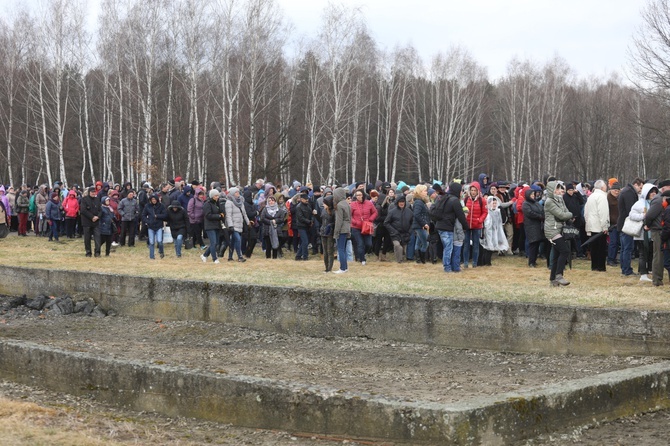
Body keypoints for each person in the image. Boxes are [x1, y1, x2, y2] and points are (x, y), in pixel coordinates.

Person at [432, 182, 469, 272]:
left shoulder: (443, 197)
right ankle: (447, 268)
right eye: (461, 191)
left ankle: (449, 266)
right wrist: (466, 227)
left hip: (440, 226)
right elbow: (461, 216)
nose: (461, 193)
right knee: (448, 248)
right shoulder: (455, 200)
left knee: (447, 247)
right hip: (447, 227)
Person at [544, 181, 573, 286]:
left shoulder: (560, 200)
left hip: (559, 229)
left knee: (556, 255)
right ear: (552, 190)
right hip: (552, 230)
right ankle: (559, 275)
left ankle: (553, 280)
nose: (560, 191)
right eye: (557, 188)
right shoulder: (549, 201)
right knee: (565, 251)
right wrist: (569, 214)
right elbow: (562, 215)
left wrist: (568, 214)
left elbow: (566, 211)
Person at [629, 183, 658, 283]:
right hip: (641, 234)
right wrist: (643, 216)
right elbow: (631, 215)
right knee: (642, 254)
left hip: (651, 233)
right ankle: (643, 273)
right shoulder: (639, 203)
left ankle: (649, 270)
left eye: (655, 192)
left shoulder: (654, 203)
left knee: (650, 253)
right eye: (651, 192)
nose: (653, 194)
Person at [617, 178, 645, 277]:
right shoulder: (629, 192)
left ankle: (624, 268)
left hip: (622, 223)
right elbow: (631, 209)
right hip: (627, 224)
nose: (640, 190)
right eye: (640, 187)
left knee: (625, 248)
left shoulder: (625, 191)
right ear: (636, 184)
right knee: (627, 248)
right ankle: (627, 270)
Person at [584, 180, 610, 272]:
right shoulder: (602, 197)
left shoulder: (591, 196)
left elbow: (586, 212)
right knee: (601, 248)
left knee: (594, 247)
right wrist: (605, 227)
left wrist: (587, 223)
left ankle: (594, 266)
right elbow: (603, 213)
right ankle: (601, 267)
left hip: (591, 225)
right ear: (602, 187)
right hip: (599, 226)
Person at [350, 188, 378, 265]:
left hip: (366, 226)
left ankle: (362, 254)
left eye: (360, 195)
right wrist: (354, 222)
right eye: (357, 195)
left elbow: (375, 212)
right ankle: (362, 259)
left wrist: (370, 219)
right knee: (360, 243)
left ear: (363, 195)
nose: (358, 196)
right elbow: (349, 215)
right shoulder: (352, 204)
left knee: (369, 244)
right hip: (356, 227)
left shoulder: (369, 203)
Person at [463, 182, 488, 268]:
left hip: (477, 226)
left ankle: (475, 262)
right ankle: (465, 262)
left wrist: (480, 220)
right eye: (472, 190)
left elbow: (485, 212)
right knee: (466, 244)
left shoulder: (482, 200)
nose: (473, 192)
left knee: (476, 245)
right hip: (467, 225)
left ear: (478, 191)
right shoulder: (466, 199)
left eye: (475, 190)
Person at [480, 195, 509, 265]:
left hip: (495, 231)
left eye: (495, 203)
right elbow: (487, 223)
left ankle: (488, 261)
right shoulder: (487, 212)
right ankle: (485, 262)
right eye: (493, 203)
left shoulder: (497, 212)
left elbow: (499, 222)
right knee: (487, 247)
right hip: (488, 231)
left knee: (491, 247)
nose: (494, 205)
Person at [384, 195, 413, 262]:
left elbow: (413, 222)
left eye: (403, 202)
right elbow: (386, 223)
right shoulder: (392, 212)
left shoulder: (409, 212)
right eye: (400, 202)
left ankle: (402, 258)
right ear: (397, 203)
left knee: (403, 248)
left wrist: (410, 231)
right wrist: (393, 231)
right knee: (398, 246)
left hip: (406, 233)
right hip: (395, 234)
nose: (401, 203)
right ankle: (399, 261)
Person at [225, 187, 249, 262]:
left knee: (233, 241)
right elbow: (228, 215)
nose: (238, 193)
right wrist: (230, 225)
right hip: (233, 225)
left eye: (238, 192)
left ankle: (230, 257)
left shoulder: (241, 201)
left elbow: (244, 213)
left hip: (240, 224)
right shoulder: (229, 202)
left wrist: (248, 222)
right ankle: (240, 257)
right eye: (236, 192)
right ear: (232, 193)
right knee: (238, 240)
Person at [521, 188, 544, 267]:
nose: (533, 196)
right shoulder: (525, 204)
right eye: (531, 195)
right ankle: (531, 261)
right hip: (530, 226)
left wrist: (542, 215)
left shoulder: (536, 203)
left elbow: (541, 209)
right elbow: (529, 213)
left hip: (538, 225)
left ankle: (534, 260)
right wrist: (539, 216)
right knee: (533, 243)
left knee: (537, 243)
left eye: (533, 195)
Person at [201, 189, 224, 263]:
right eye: (216, 196)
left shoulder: (217, 203)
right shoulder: (207, 204)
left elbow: (219, 211)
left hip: (216, 225)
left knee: (216, 243)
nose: (217, 197)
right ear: (212, 196)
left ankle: (205, 255)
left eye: (218, 195)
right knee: (213, 242)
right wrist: (218, 216)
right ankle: (215, 258)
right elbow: (208, 215)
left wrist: (222, 214)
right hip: (209, 226)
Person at [141, 194, 168, 260]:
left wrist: (157, 216)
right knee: (151, 242)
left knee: (160, 241)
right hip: (150, 226)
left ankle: (161, 252)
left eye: (155, 199)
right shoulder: (147, 206)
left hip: (159, 226)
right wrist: (147, 221)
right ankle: (152, 256)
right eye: (152, 199)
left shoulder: (161, 206)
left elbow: (165, 215)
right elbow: (143, 215)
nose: (154, 201)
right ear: (150, 200)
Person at [260, 194, 286, 260]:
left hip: (277, 229)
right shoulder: (265, 209)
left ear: (275, 201)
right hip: (267, 230)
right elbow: (262, 218)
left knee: (276, 245)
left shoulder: (279, 210)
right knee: (268, 245)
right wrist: (270, 222)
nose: (271, 202)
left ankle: (275, 258)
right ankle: (268, 258)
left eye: (272, 200)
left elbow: (282, 219)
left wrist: (275, 221)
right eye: (269, 201)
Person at [332, 187, 351, 273]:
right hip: (347, 228)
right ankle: (345, 267)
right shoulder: (346, 204)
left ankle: (342, 268)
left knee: (340, 249)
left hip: (342, 229)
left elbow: (338, 221)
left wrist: (336, 232)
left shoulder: (339, 205)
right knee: (343, 249)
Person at [80, 187, 102, 257]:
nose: (93, 193)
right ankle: (88, 252)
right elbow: (83, 210)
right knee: (87, 238)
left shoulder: (97, 200)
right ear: (89, 192)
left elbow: (101, 210)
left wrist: (98, 216)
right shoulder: (84, 199)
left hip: (96, 222)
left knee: (98, 237)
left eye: (94, 192)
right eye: (92, 192)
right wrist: (92, 217)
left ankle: (97, 252)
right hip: (87, 222)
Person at [411, 185, 430, 264]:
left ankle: (418, 259)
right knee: (425, 243)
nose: (426, 192)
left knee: (418, 242)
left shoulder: (420, 201)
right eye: (424, 191)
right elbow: (417, 214)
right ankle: (422, 259)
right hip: (420, 226)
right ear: (420, 192)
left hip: (419, 225)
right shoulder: (419, 202)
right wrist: (424, 223)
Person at [607, 182, 621, 266]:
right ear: (611, 190)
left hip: (618, 223)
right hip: (612, 223)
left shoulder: (619, 198)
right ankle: (610, 259)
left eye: (618, 190)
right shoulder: (608, 198)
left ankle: (614, 258)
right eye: (615, 190)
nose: (616, 192)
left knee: (617, 242)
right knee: (613, 242)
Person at [320, 195, 335, 271]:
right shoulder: (323, 210)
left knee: (330, 250)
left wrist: (329, 211)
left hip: (330, 232)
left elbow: (333, 220)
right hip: (323, 231)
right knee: (325, 251)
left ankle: (330, 267)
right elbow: (321, 219)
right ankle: (326, 267)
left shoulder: (334, 211)